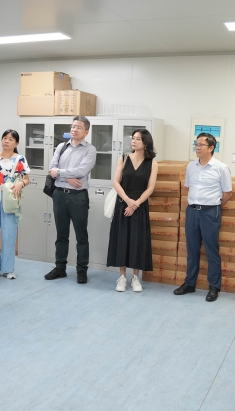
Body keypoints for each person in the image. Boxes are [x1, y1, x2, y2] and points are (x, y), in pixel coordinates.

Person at [173, 132, 232, 302]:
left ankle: (214, 287)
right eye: (196, 144)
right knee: (192, 249)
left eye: (201, 145)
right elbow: (188, 188)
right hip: (192, 211)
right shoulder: (191, 166)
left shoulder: (221, 168)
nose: (197, 147)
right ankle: (189, 283)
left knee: (211, 250)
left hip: (210, 212)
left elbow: (227, 193)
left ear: (211, 148)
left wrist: (214, 206)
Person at [44, 116, 97, 284]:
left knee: (81, 235)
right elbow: (51, 169)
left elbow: (82, 171)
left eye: (79, 127)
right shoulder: (62, 146)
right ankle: (60, 268)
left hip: (78, 196)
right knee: (61, 234)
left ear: (86, 132)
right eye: (73, 126)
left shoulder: (90, 150)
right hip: (59, 194)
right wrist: (67, 178)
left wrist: (60, 173)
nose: (74, 129)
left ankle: (82, 270)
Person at [107, 129, 158, 292]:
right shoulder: (123, 159)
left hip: (140, 206)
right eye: (133, 138)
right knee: (122, 239)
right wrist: (128, 201)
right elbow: (116, 182)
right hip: (123, 203)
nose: (134, 141)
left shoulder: (152, 163)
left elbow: (150, 188)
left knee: (138, 240)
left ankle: (136, 277)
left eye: (138, 139)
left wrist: (136, 204)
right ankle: (122, 277)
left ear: (146, 143)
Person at [0, 130, 31, 280]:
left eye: (10, 139)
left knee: (9, 232)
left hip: (10, 195)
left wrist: (21, 184)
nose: (6, 141)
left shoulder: (20, 159)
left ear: (16, 143)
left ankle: (8, 269)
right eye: (4, 138)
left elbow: (27, 179)